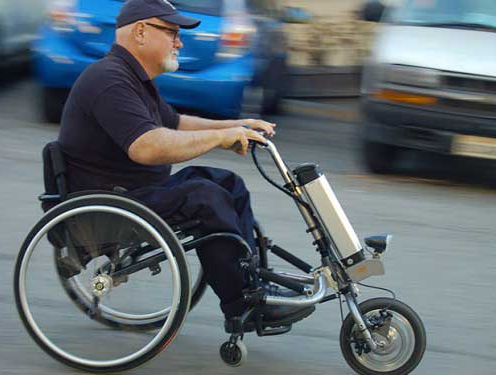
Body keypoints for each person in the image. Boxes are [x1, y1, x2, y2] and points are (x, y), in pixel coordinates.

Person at [58, 0, 313, 328]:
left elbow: (176, 123)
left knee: (228, 184)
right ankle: (241, 305)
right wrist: (222, 138)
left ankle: (252, 282)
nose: (180, 42)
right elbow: (147, 148)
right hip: (110, 205)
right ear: (140, 32)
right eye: (172, 33)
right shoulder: (110, 80)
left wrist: (237, 126)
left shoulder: (132, 78)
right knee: (206, 199)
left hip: (133, 191)